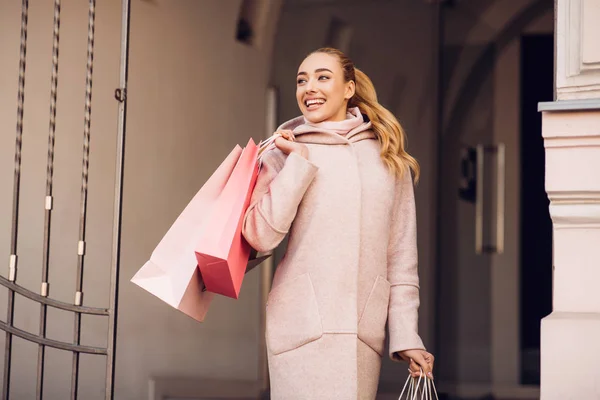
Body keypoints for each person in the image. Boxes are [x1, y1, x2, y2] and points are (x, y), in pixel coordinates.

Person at [242, 47, 434, 400]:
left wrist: (407, 335)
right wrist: (298, 163)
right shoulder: (281, 152)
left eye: (322, 77)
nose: (309, 87)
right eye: (302, 80)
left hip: (363, 330)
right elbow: (260, 235)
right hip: (299, 327)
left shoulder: (389, 159)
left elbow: (401, 258)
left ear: (348, 88)